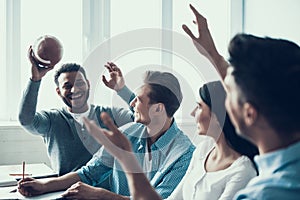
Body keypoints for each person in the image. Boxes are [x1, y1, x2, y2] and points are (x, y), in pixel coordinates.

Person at [18, 68, 195, 199]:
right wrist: (44, 185)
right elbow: (90, 172)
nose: (132, 103)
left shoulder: (185, 155)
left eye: (139, 99)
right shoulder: (128, 132)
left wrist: (101, 195)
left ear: (158, 109)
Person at [183, 4, 300, 199]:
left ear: (249, 114)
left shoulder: (261, 194)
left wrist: (126, 158)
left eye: (229, 93)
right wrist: (212, 53)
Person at [83, 80, 259, 200]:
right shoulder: (203, 150)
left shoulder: (242, 172)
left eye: (199, 107)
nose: (192, 114)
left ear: (218, 115)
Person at [18, 47, 134, 175]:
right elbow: (26, 121)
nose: (74, 90)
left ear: (88, 84)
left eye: (79, 83)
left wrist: (122, 89)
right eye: (67, 86)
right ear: (58, 92)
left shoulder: (110, 115)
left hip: (107, 193)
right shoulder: (52, 119)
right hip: (67, 191)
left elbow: (145, 121)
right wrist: (35, 79)